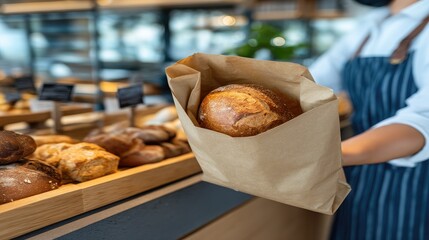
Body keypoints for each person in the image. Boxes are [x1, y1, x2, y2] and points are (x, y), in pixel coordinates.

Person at [309, 0, 429, 239]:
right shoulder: (369, 26)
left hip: (417, 184)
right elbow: (308, 85)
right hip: (362, 177)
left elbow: (422, 119)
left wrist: (327, 156)